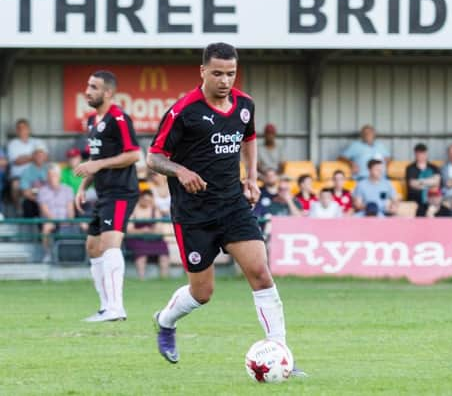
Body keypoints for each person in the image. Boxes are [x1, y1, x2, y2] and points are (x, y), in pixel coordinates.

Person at [146, 43, 305, 376]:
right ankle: (164, 321)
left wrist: (251, 177)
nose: (224, 80)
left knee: (261, 274)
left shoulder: (245, 105)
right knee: (202, 293)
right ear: (202, 71)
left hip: (233, 205)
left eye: (230, 73)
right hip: (194, 214)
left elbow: (248, 138)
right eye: (217, 73)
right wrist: (181, 171)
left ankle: (282, 356)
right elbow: (154, 157)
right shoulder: (183, 110)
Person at [74, 70, 141, 322]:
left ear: (108, 92)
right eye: (87, 85)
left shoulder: (120, 118)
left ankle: (116, 308)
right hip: (103, 193)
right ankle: (105, 307)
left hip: (122, 191)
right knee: (92, 247)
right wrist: (82, 187)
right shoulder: (92, 121)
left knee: (110, 245)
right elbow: (95, 160)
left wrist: (98, 165)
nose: (87, 91)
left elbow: (134, 154)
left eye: (93, 87)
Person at [125, 190, 170, 280]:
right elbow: (129, 230)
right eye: (145, 200)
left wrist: (148, 231)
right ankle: (141, 277)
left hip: (153, 238)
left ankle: (164, 277)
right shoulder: (133, 210)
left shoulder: (155, 210)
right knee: (141, 253)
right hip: (137, 239)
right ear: (140, 199)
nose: (147, 202)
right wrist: (142, 231)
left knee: (164, 251)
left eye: (149, 200)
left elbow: (159, 229)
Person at [37, 164, 76, 263]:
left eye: (54, 175)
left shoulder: (68, 189)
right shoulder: (42, 191)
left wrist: (69, 220)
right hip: (51, 220)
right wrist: (57, 222)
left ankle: (80, 255)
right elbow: (44, 210)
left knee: (83, 225)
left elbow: (70, 210)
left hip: (65, 220)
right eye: (49, 175)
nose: (52, 178)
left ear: (59, 176)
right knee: (46, 227)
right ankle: (48, 254)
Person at [7, 119, 46, 213]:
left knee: (46, 183)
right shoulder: (13, 144)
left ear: (29, 129)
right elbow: (17, 161)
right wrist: (33, 156)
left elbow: (44, 157)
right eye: (19, 128)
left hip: (36, 174)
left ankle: (45, 210)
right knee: (15, 185)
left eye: (24, 128)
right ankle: (19, 209)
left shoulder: (37, 142)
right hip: (19, 176)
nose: (22, 130)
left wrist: (25, 157)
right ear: (16, 130)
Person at [406, 143, 440, 207]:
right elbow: (412, 184)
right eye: (418, 154)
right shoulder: (410, 168)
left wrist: (420, 182)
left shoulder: (434, 167)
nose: (421, 156)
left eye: (422, 153)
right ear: (415, 154)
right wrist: (429, 183)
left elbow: (436, 182)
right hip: (414, 201)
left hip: (432, 199)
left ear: (426, 154)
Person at [19, 145, 50, 218]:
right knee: (27, 204)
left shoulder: (50, 169)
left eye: (42, 155)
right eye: (37, 155)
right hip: (33, 199)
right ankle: (28, 227)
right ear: (33, 156)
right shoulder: (27, 171)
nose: (40, 157)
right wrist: (39, 201)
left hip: (49, 199)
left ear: (46, 157)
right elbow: (25, 192)